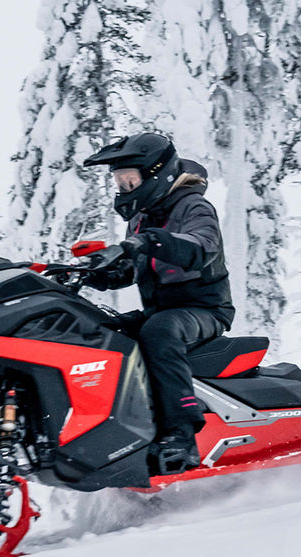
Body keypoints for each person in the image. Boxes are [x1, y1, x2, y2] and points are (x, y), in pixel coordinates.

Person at [82, 132, 234, 475]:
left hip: (205, 309)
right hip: (161, 310)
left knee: (159, 331)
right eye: (119, 182)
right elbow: (132, 269)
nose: (124, 188)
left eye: (130, 180)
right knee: (102, 331)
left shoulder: (193, 206)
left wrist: (149, 241)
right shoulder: (143, 217)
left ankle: (180, 435)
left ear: (156, 174)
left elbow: (200, 248)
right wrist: (97, 272)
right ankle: (123, 430)